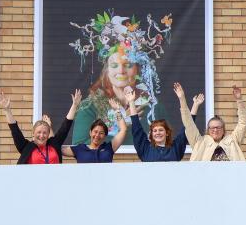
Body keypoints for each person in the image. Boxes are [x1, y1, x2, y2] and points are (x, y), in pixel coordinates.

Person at [70, 11, 171, 145]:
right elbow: (80, 146)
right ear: (107, 70)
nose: (121, 71)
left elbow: (166, 143)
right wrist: (124, 123)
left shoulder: (153, 108)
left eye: (128, 64)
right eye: (114, 65)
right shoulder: (89, 107)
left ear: (137, 69)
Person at [0, 89, 80, 165]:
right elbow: (15, 131)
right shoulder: (26, 147)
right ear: (33, 133)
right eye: (39, 132)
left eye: (44, 133)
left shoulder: (54, 144)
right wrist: (7, 110)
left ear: (48, 135)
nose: (42, 135)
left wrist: (74, 105)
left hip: (53, 181)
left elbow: (65, 127)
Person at [179, 84, 246, 161]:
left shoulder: (233, 140)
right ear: (208, 130)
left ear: (223, 130)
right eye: (212, 128)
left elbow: (243, 123)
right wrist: (182, 99)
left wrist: (239, 100)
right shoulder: (199, 142)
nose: (215, 130)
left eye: (218, 127)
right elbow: (188, 123)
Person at [125, 84, 188, 162]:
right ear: (151, 134)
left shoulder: (175, 148)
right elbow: (136, 127)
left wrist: (182, 99)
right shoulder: (146, 149)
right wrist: (131, 102)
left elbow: (188, 126)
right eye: (155, 131)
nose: (157, 133)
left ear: (167, 133)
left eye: (161, 130)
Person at [60, 99, 128, 163]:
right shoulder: (80, 149)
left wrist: (117, 110)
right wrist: (74, 106)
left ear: (105, 136)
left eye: (101, 133)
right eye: (95, 132)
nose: (97, 135)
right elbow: (56, 147)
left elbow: (123, 129)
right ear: (90, 132)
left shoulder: (109, 148)